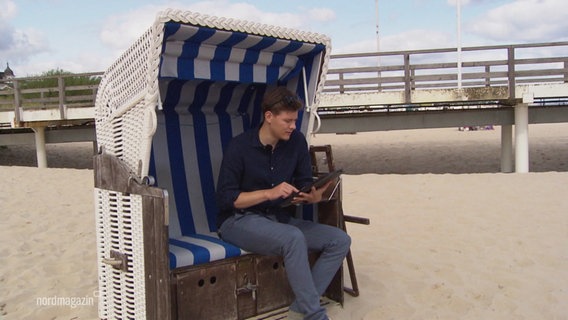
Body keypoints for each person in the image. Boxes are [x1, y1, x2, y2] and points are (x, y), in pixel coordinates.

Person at [216, 87, 351, 320]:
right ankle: (315, 315)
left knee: (339, 240)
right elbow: (228, 199)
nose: (292, 126)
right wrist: (269, 193)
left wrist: (313, 196)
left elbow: (304, 181)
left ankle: (300, 308)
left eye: (295, 120)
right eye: (287, 120)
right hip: (237, 221)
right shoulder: (240, 147)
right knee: (293, 237)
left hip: (277, 219)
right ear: (269, 117)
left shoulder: (296, 142)